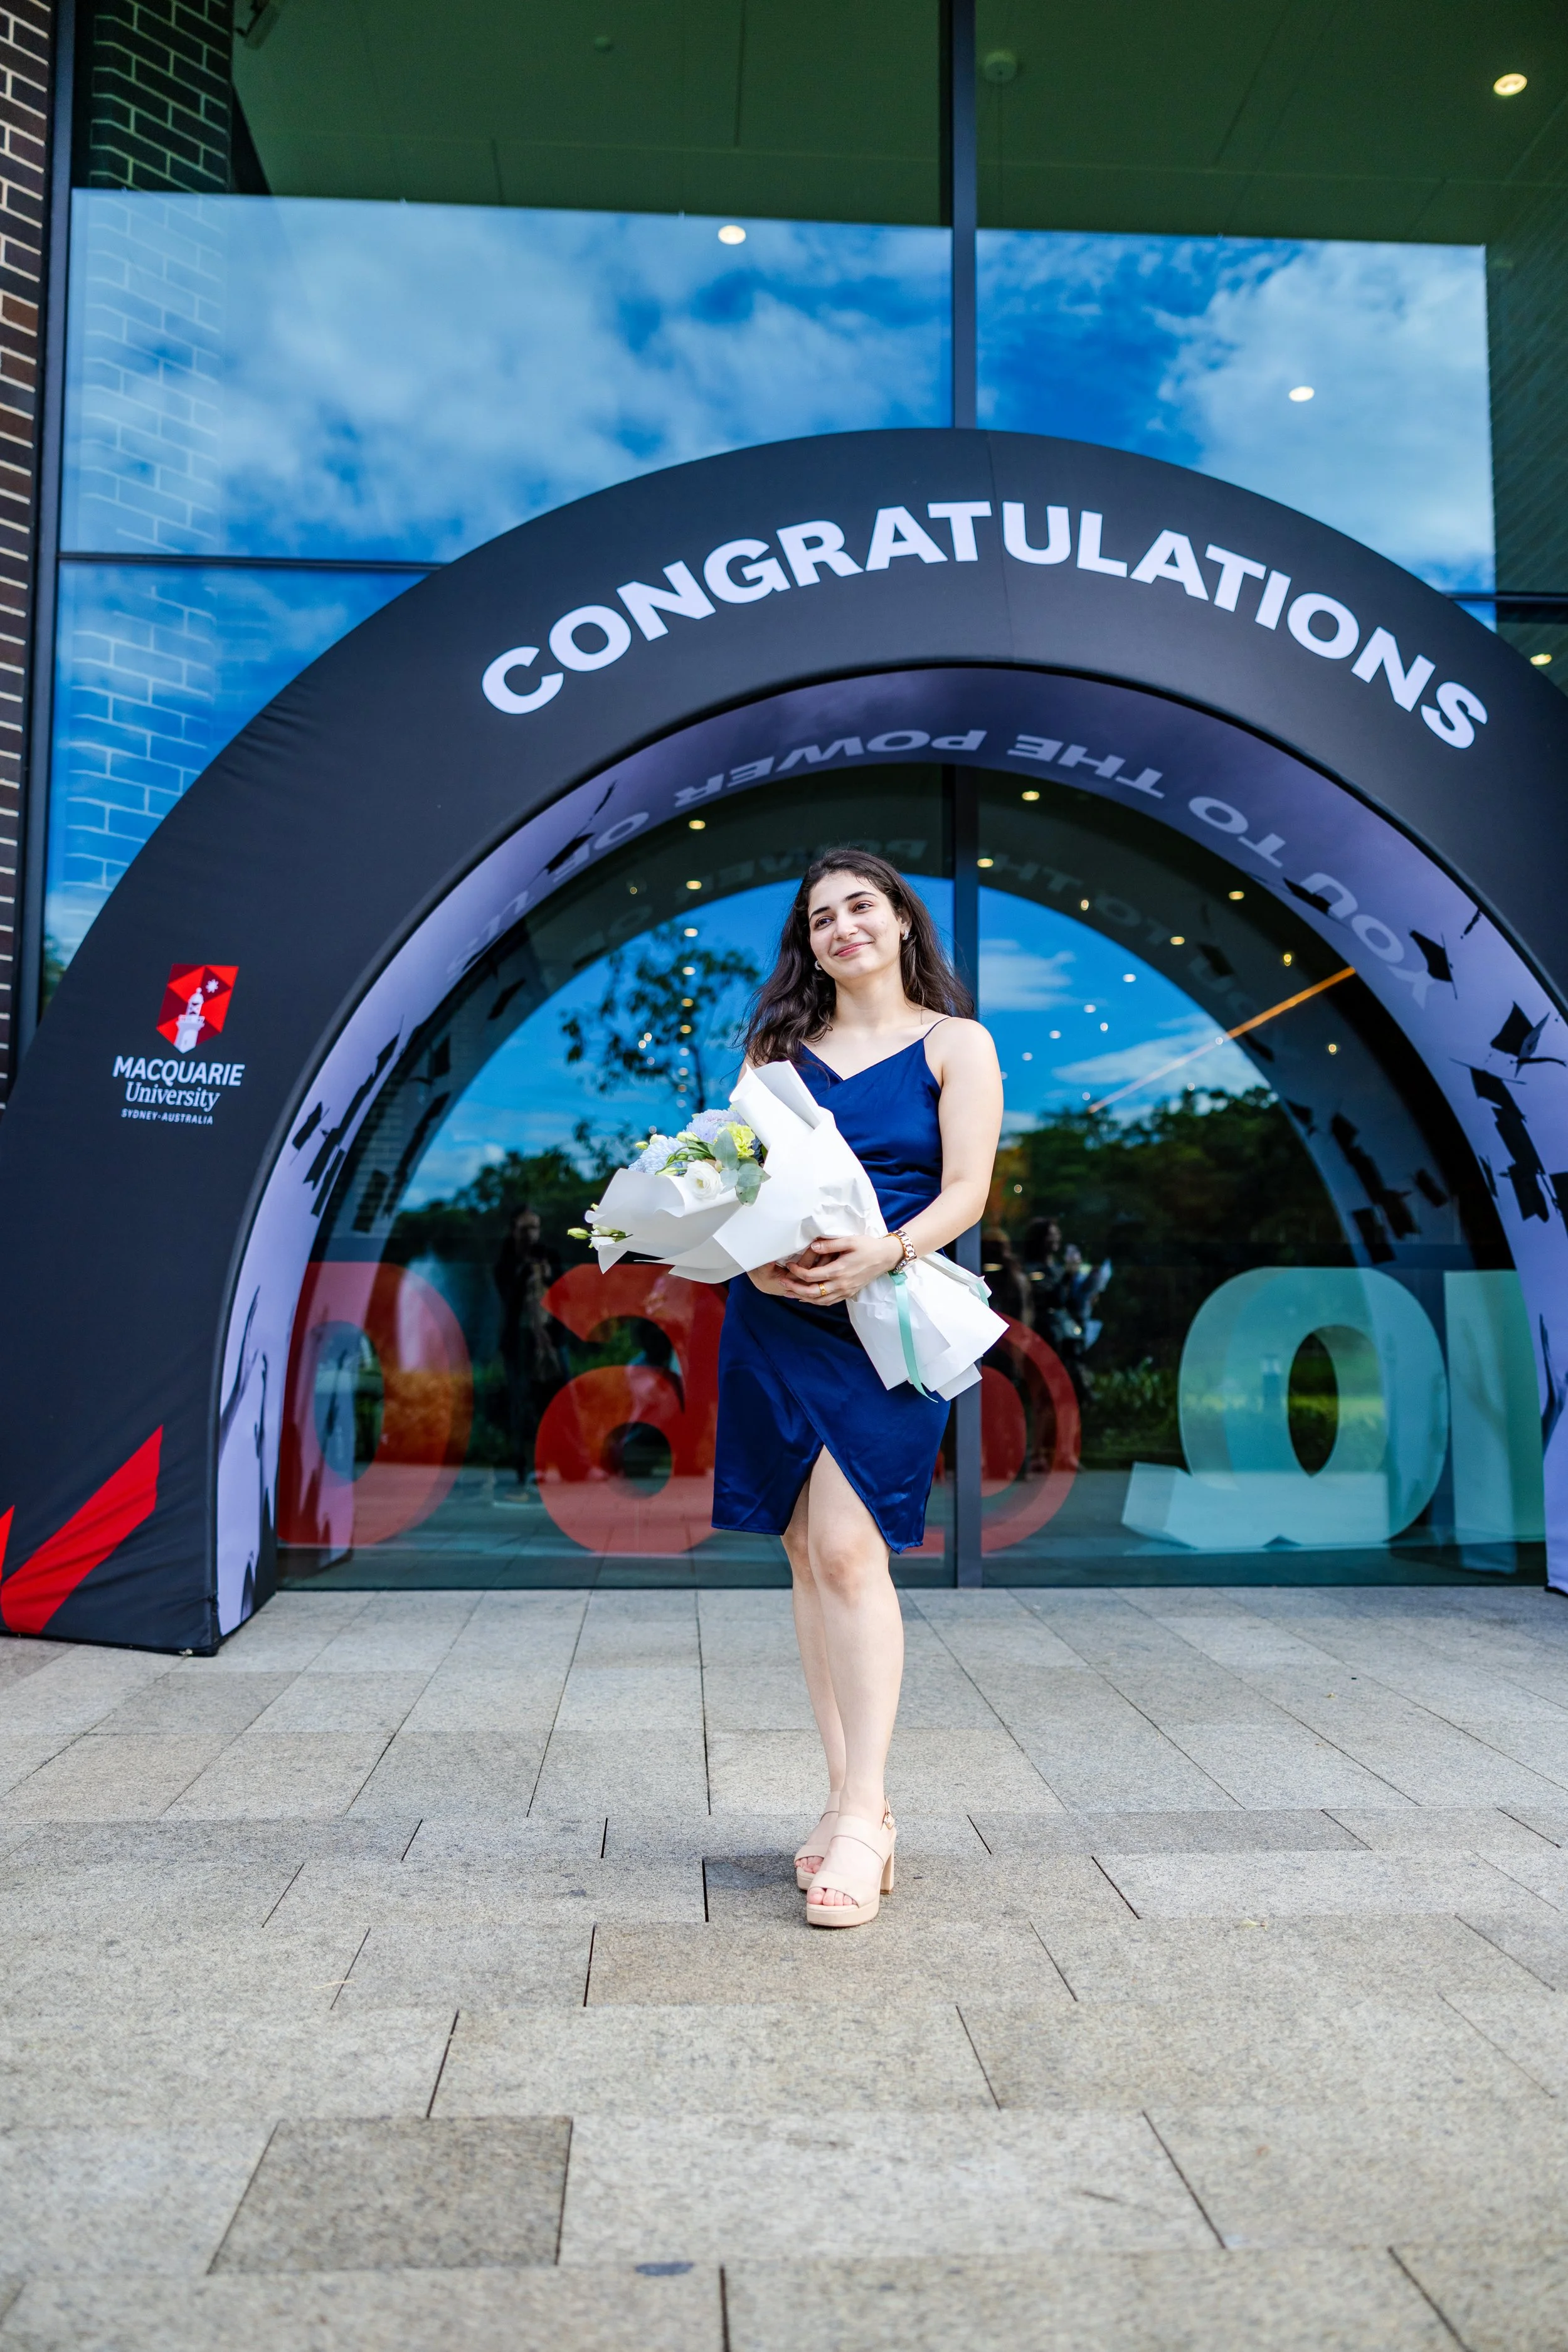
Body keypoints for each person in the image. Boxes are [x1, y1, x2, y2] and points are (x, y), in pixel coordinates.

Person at [713, 850, 1002, 1928]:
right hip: (776, 1318)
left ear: (898, 922)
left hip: (891, 1317)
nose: (843, 927)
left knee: (848, 1547)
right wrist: (753, 1262)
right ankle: (843, 1800)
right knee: (803, 1554)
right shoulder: (776, 1053)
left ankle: (870, 1810)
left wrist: (883, 1253)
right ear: (809, 944)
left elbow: (969, 1187)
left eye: (860, 907)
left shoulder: (955, 1045)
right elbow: (733, 1185)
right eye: (821, 917)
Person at [492, 1205, 563, 1490]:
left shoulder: (549, 1255)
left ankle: (561, 1463)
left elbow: (565, 1293)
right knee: (522, 1404)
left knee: (558, 1400)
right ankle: (525, 1464)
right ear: (514, 1231)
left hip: (550, 1341)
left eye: (535, 1227)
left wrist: (548, 1276)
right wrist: (525, 1275)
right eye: (525, 1229)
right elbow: (508, 1297)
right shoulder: (506, 1262)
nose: (531, 1235)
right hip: (520, 1342)